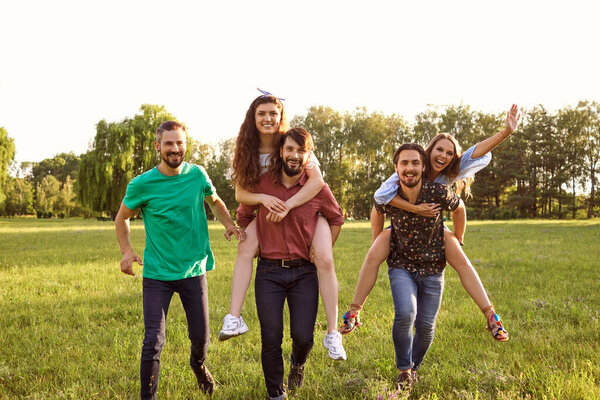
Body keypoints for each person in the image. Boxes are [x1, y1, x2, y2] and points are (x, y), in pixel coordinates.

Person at [342, 105, 520, 341]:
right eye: (439, 149)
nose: (443, 156)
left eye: (449, 153)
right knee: (373, 255)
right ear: (429, 151)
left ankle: (491, 317)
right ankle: (354, 312)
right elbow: (379, 200)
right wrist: (391, 227)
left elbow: (474, 154)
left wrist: (506, 132)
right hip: (401, 225)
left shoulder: (451, 172)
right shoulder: (412, 167)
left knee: (462, 261)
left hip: (433, 227)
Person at [114, 121, 244, 399]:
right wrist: (126, 250)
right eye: (169, 143)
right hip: (157, 275)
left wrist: (229, 224)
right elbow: (122, 218)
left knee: (201, 338)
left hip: (193, 271)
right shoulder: (142, 184)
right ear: (157, 146)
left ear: (185, 144)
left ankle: (197, 365)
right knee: (153, 340)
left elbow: (215, 201)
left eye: (180, 143)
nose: (175, 149)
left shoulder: (197, 175)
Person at [219, 90, 346, 360]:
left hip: (307, 208)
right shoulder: (246, 150)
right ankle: (233, 317)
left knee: (324, 256)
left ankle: (333, 332)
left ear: (281, 117)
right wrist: (266, 199)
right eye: (261, 113)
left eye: (273, 113)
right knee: (245, 249)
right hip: (265, 211)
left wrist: (287, 205)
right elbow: (240, 194)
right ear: (252, 118)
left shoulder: (293, 144)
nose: (267, 118)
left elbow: (316, 183)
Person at [237, 127, 344, 400]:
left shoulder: (317, 188)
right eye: (289, 149)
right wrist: (251, 237)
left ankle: (298, 363)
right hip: (269, 272)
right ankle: (276, 393)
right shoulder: (263, 184)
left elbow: (336, 218)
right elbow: (244, 213)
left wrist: (321, 250)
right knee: (271, 337)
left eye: (301, 150)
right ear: (280, 151)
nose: (294, 155)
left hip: (304, 272)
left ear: (308, 156)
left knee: (303, 337)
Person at [348, 143, 464, 393]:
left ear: (423, 166)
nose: (409, 168)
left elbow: (459, 208)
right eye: (404, 163)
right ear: (395, 167)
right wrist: (379, 240)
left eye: (414, 163)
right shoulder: (390, 193)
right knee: (405, 313)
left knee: (426, 325)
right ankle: (403, 370)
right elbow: (377, 209)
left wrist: (459, 237)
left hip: (433, 267)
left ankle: (414, 368)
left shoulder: (437, 191)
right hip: (401, 264)